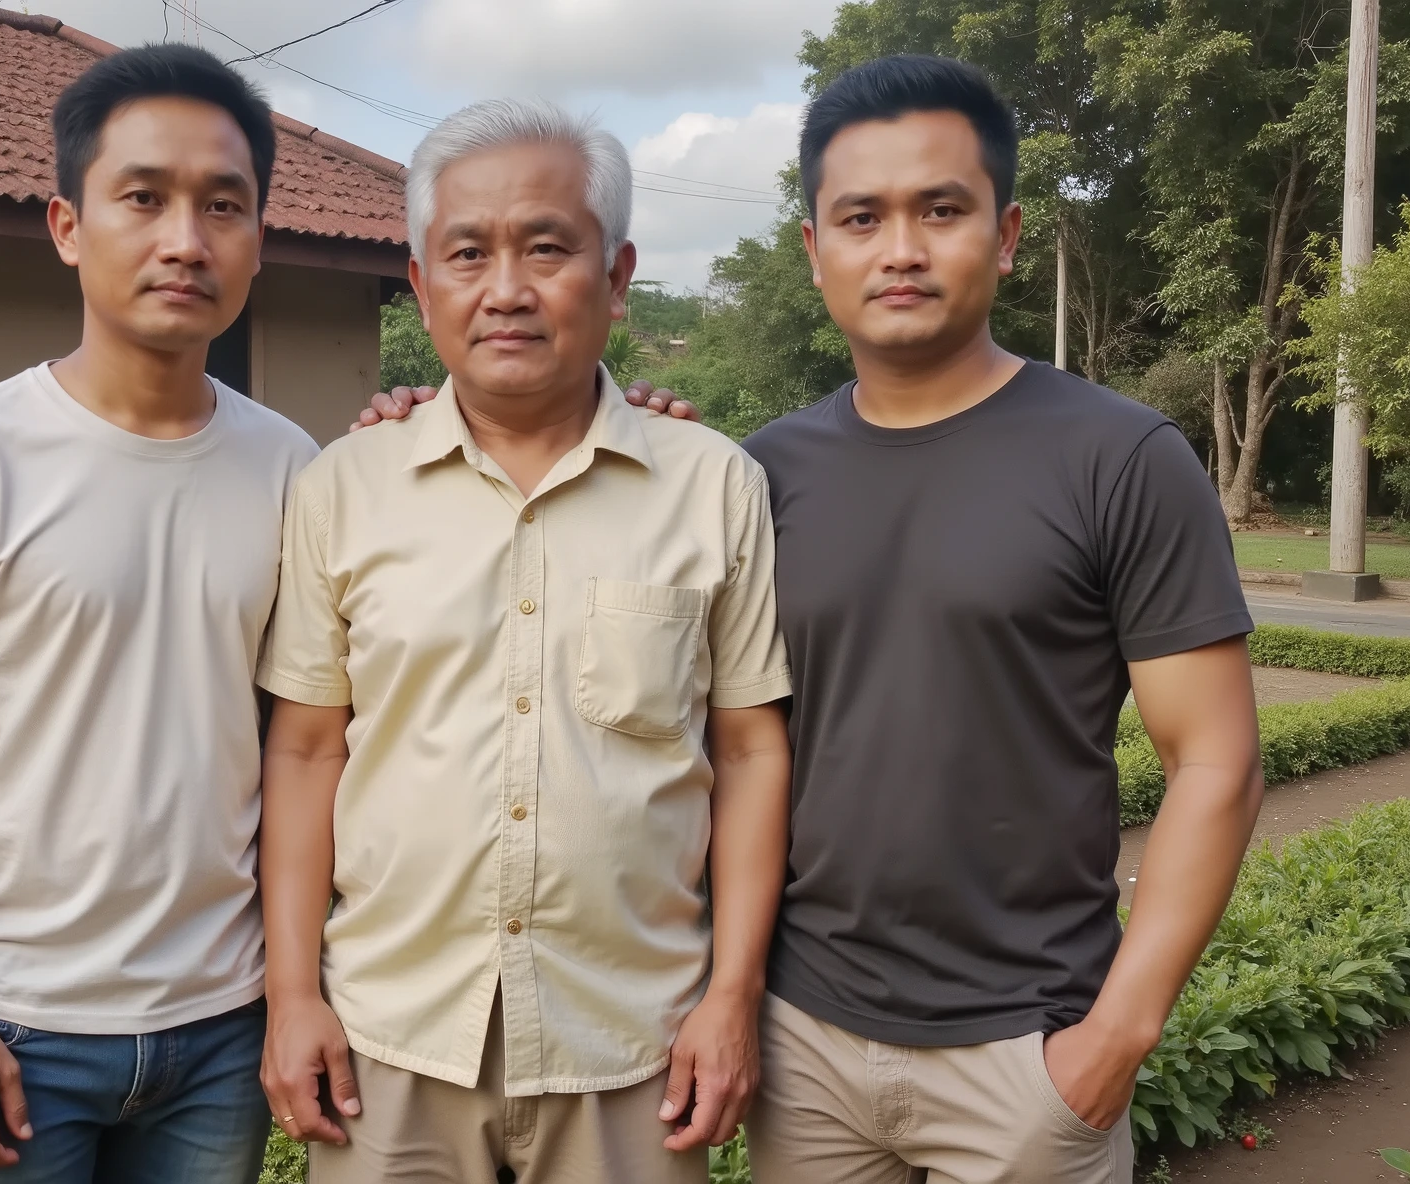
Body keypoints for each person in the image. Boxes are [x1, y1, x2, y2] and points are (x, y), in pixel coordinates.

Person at [360, 54, 1264, 1184]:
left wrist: (1111, 1040)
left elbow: (1214, 761)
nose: (899, 248)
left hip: (1023, 1046)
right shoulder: (751, 473)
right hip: (801, 1044)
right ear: (812, 248)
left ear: (1008, 232)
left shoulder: (1120, 458)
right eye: (860, 216)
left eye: (940, 209)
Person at [254, 98, 795, 1184]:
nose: (505, 288)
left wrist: (729, 996)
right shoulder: (342, 486)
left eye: (546, 246)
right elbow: (308, 749)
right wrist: (292, 993)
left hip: (628, 1042)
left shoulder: (712, 485)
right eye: (467, 252)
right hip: (390, 1040)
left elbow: (745, 751)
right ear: (420, 282)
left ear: (616, 271)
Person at [0, 45, 319, 1183]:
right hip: (16, 1026)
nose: (184, 239)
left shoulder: (294, 467)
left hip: (220, 1024)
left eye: (223, 205)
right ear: (66, 224)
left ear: (256, 239)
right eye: (142, 197)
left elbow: (303, 744)